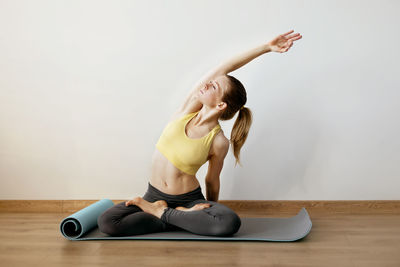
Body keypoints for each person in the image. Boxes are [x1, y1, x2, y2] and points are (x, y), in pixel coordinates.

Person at [97, 30, 302, 237]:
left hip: (189, 200)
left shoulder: (218, 141)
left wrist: (210, 212)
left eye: (213, 85)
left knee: (228, 223)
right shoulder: (186, 111)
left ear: (221, 104)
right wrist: (266, 47)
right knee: (107, 222)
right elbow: (224, 67)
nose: (206, 83)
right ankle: (174, 216)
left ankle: (164, 214)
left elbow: (212, 181)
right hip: (152, 195)